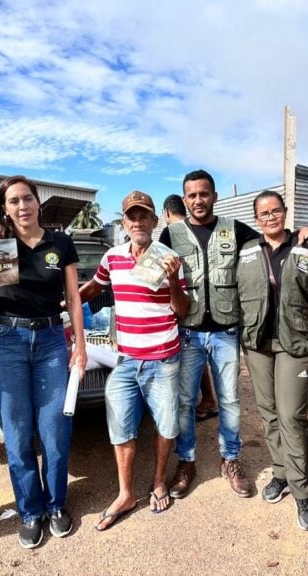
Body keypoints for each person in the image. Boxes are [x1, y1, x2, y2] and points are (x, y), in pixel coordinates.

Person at [159, 169, 308, 500]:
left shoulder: (235, 230)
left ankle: (230, 460)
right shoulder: (171, 235)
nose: (198, 200)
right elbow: (147, 264)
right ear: (185, 199)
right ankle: (186, 462)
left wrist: (302, 229)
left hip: (226, 333)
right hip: (188, 334)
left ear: (214, 197)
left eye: (204, 193)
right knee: (187, 401)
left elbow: (273, 235)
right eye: (192, 195)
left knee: (230, 400)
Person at [0, 175, 86, 550]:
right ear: (5, 208)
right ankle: (29, 511)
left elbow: (73, 297)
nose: (22, 206)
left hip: (53, 340)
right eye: (13, 201)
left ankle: (56, 505)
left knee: (54, 428)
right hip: (7, 340)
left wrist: (80, 345)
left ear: (38, 202)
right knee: (18, 432)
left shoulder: (60, 242)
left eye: (27, 199)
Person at [78, 191, 187, 530]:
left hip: (163, 359)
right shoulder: (112, 257)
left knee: (166, 424)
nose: (138, 222)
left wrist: (171, 280)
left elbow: (182, 311)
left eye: (144, 216)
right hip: (124, 360)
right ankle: (126, 493)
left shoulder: (170, 259)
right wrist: (61, 304)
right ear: (123, 222)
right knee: (121, 426)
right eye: (131, 216)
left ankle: (157, 480)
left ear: (155, 221)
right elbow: (93, 289)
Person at [237, 191, 308, 531]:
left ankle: (302, 489)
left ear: (286, 212)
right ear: (256, 218)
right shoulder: (246, 249)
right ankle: (280, 473)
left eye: (276, 211)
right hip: (258, 343)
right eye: (263, 213)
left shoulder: (307, 248)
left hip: (298, 342)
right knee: (269, 413)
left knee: (292, 415)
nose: (270, 217)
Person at [162, 193, 218, 423]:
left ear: (165, 213)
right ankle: (207, 399)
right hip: (208, 307)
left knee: (189, 356)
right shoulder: (195, 230)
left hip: (183, 306)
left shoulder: (169, 234)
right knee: (198, 355)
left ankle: (203, 400)